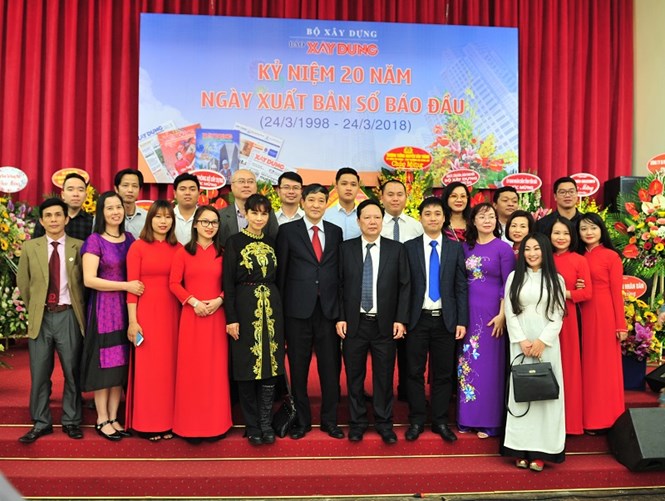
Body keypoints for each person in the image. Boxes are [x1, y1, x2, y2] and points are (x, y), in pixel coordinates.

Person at [337, 199, 410, 444]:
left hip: (385, 324)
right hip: (354, 323)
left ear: (382, 221)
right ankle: (357, 423)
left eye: (377, 217)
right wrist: (340, 317)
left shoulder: (396, 249)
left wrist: (400, 318)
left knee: (384, 376)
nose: (372, 222)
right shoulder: (345, 249)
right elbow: (338, 286)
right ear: (358, 221)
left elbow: (405, 286)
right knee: (354, 376)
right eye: (367, 217)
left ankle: (384, 423)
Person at [276, 184, 344, 440]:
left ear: (327, 203)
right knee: (299, 369)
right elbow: (281, 274)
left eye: (321, 200)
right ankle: (302, 422)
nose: (316, 205)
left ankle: (330, 421)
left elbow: (339, 274)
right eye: (312, 200)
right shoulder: (287, 231)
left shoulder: (335, 232)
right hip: (297, 311)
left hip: (328, 311)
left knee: (330, 369)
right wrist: (282, 315)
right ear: (303, 202)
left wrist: (340, 311)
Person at [16, 198, 87, 443]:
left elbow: (83, 284)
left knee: (72, 370)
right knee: (39, 371)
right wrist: (36, 307)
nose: (54, 219)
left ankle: (71, 420)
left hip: (69, 315)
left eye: (58, 215)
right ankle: (41, 422)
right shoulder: (30, 247)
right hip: (42, 316)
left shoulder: (80, 247)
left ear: (66, 219)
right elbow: (23, 283)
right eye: (48, 216)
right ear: (42, 221)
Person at [403, 197, 468, 443]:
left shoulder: (455, 248)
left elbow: (460, 286)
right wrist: (402, 319)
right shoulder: (408, 248)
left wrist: (461, 320)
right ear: (420, 218)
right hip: (417, 320)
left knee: (443, 374)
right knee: (414, 372)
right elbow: (404, 287)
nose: (432, 218)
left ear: (444, 218)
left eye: (437, 213)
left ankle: (440, 421)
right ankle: (417, 420)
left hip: (445, 320)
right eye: (427, 214)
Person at [80, 191, 142, 441]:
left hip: (127, 309)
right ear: (101, 212)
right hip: (104, 309)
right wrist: (126, 286)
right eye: (109, 208)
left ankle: (115, 417)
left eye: (118, 207)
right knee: (105, 363)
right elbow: (89, 280)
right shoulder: (94, 240)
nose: (115, 212)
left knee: (120, 364)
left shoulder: (130, 239)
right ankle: (102, 418)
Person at [502, 233, 566, 472]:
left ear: (545, 251)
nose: (531, 253)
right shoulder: (514, 277)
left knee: (545, 395)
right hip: (520, 345)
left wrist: (542, 341)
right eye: (527, 249)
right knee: (522, 394)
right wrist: (521, 340)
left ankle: (542, 452)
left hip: (546, 346)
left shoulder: (556, 279)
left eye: (536, 248)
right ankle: (519, 449)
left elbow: (558, 315)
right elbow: (510, 312)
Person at [224, 194, 285, 445]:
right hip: (244, 307)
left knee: (270, 367)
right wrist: (231, 318)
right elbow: (228, 283)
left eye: (264, 213)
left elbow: (280, 277)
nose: (259, 218)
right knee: (246, 366)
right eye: (254, 213)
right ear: (246, 214)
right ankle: (251, 425)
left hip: (272, 308)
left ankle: (265, 422)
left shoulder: (272, 242)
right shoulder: (234, 242)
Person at [169, 205, 232, 442]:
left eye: (214, 222)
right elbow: (174, 283)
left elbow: (231, 284)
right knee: (191, 371)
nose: (209, 226)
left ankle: (216, 425)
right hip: (191, 317)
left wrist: (219, 300)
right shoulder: (183, 252)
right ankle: (189, 426)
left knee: (215, 371)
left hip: (216, 317)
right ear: (195, 224)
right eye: (205, 221)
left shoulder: (224, 253)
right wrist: (194, 302)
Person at [125, 200, 181, 441]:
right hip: (145, 315)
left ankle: (169, 422)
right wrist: (132, 321)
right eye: (158, 216)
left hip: (173, 316)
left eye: (168, 217)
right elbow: (132, 289)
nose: (163, 221)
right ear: (150, 219)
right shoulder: (137, 248)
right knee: (148, 370)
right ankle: (147, 423)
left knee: (170, 370)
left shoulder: (179, 248)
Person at [457, 203, 515, 438]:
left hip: (493, 315)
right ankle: (467, 418)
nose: (487, 220)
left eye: (491, 216)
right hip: (468, 313)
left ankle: (489, 422)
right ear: (473, 221)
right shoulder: (464, 248)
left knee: (490, 367)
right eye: (482, 217)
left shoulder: (503, 249)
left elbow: (508, 284)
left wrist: (502, 315)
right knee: (467, 365)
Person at [577, 212, 627, 433]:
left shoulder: (611, 256)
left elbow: (617, 293)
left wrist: (620, 325)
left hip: (605, 314)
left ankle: (606, 418)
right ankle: (586, 418)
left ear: (601, 230)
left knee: (604, 367)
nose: (589, 232)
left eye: (593, 228)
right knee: (586, 367)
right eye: (583, 229)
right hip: (581, 313)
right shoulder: (577, 256)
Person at [380, 178, 423, 401]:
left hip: (411, 295)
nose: (395, 199)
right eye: (390, 194)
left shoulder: (416, 226)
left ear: (406, 198)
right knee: (384, 351)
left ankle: (408, 391)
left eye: (400, 194)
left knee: (410, 350)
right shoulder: (375, 223)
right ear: (381, 198)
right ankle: (383, 395)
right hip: (383, 296)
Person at [550, 217, 591, 435]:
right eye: (556, 233)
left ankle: (570, 423)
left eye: (566, 233)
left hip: (568, 319)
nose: (561, 237)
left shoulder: (579, 260)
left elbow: (586, 293)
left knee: (568, 368)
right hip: (543, 317)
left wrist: (564, 292)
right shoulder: (543, 257)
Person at [219, 168, 278, 245]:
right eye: (241, 181)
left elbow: (274, 240)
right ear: (232, 186)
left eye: (250, 182)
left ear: (256, 186)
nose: (246, 185)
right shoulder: (221, 215)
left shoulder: (267, 212)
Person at [32, 173, 93, 241]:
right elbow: (35, 245)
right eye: (70, 189)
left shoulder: (92, 222)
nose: (76, 194)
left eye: (80, 190)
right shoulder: (48, 218)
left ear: (85, 195)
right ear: (63, 194)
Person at [323, 167, 362, 240]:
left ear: (358, 188)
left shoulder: (364, 216)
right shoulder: (325, 215)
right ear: (336, 187)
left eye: (353, 184)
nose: (349, 188)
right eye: (344, 184)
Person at [114, 168, 147, 239]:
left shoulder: (148, 218)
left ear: (139, 190)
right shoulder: (106, 216)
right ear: (116, 189)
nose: (130, 190)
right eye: (125, 185)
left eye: (135, 186)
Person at [172, 173, 200, 245]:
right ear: (175, 193)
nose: (187, 193)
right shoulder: (168, 217)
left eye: (192, 189)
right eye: (182, 189)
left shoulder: (205, 218)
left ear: (199, 193)